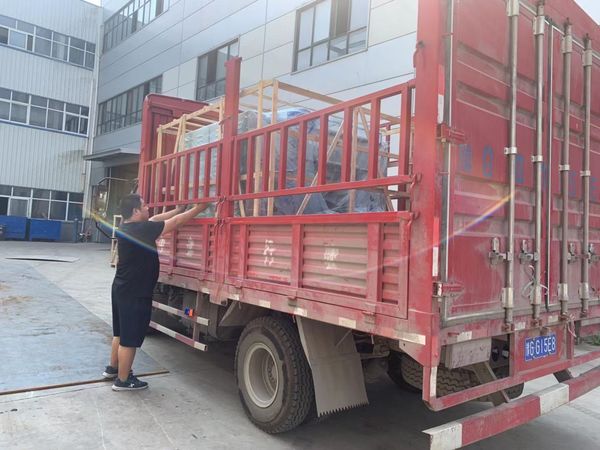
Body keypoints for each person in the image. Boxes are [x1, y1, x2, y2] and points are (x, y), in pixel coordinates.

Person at [103, 194, 211, 391]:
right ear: (136, 211)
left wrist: (178, 209)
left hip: (121, 288)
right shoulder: (142, 230)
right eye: (144, 206)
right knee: (130, 338)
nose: (148, 208)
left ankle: (113, 368)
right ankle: (123, 380)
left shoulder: (127, 227)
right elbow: (175, 223)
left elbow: (155, 219)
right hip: (135, 292)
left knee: (120, 333)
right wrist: (199, 208)